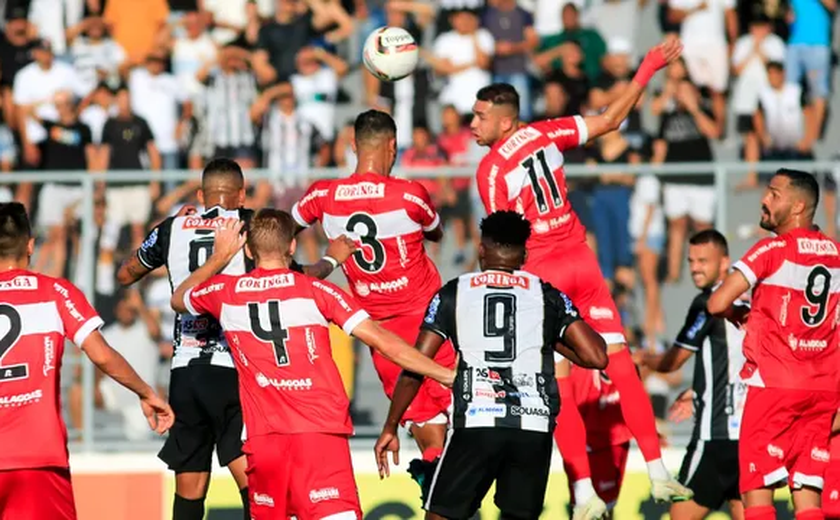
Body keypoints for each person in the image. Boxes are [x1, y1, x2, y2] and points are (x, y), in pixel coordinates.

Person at [469, 38, 691, 517]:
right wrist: (648, 65)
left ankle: (585, 493)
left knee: (562, 383)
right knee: (620, 363)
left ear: (505, 121)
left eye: (480, 117)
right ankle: (657, 471)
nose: (472, 125)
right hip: (582, 262)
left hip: (544, 272)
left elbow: (504, 239)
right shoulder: (547, 132)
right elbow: (611, 119)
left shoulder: (490, 169)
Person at [170, 208, 455, 519]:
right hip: (319, 438)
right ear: (292, 247)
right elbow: (384, 342)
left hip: (264, 443)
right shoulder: (317, 291)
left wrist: (219, 257)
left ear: (248, 250)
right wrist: (445, 374)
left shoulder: (225, 292)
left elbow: (179, 298)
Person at [116, 158, 356, 520]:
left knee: (190, 488)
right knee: (256, 486)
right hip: (233, 371)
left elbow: (126, 274)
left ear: (201, 194)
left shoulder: (171, 228)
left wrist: (178, 228)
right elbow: (296, 278)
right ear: (242, 195)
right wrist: (332, 260)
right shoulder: (250, 227)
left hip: (185, 371)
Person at [374, 210, 608, 520]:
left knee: (441, 515)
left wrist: (391, 425)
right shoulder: (547, 295)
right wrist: (548, 337)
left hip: (477, 421)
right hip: (532, 427)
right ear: (524, 254)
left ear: (481, 249)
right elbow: (597, 356)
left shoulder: (454, 292)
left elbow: (416, 364)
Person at [291, 110, 456, 464]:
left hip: (379, 329)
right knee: (460, 405)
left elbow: (276, 235)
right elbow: (437, 232)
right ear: (393, 146)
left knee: (422, 418)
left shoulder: (323, 196)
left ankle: (436, 475)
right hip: (429, 319)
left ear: (353, 146)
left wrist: (311, 267)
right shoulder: (410, 194)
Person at [0, 202, 173, 520]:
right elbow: (102, 355)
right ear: (30, 245)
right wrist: (146, 392)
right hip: (36, 459)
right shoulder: (55, 292)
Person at [707, 169, 840, 520]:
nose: (764, 200)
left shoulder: (771, 249)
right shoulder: (837, 254)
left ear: (797, 206)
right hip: (823, 389)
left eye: (774, 194)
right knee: (808, 496)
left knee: (758, 493)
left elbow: (717, 303)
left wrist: (741, 314)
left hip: (775, 386)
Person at [640, 229, 746, 520]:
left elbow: (674, 361)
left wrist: (640, 359)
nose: (695, 268)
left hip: (715, 438)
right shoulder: (749, 301)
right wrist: (698, 391)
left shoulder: (709, 302)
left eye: (703, 260)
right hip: (749, 437)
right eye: (690, 261)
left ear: (725, 262)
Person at [564, 367, 632, 519]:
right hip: (589, 440)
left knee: (606, 506)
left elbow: (634, 380)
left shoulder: (620, 348)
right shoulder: (575, 354)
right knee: (586, 507)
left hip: (616, 435)